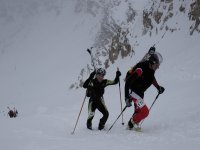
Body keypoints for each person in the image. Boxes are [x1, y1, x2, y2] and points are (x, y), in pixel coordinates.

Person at [125, 52, 165, 131]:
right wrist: (126, 97)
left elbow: (151, 78)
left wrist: (158, 87)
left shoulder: (151, 69)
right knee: (145, 112)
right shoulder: (141, 69)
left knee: (138, 110)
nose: (158, 67)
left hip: (140, 92)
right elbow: (128, 82)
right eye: (157, 65)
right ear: (152, 63)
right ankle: (133, 121)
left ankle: (131, 124)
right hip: (133, 91)